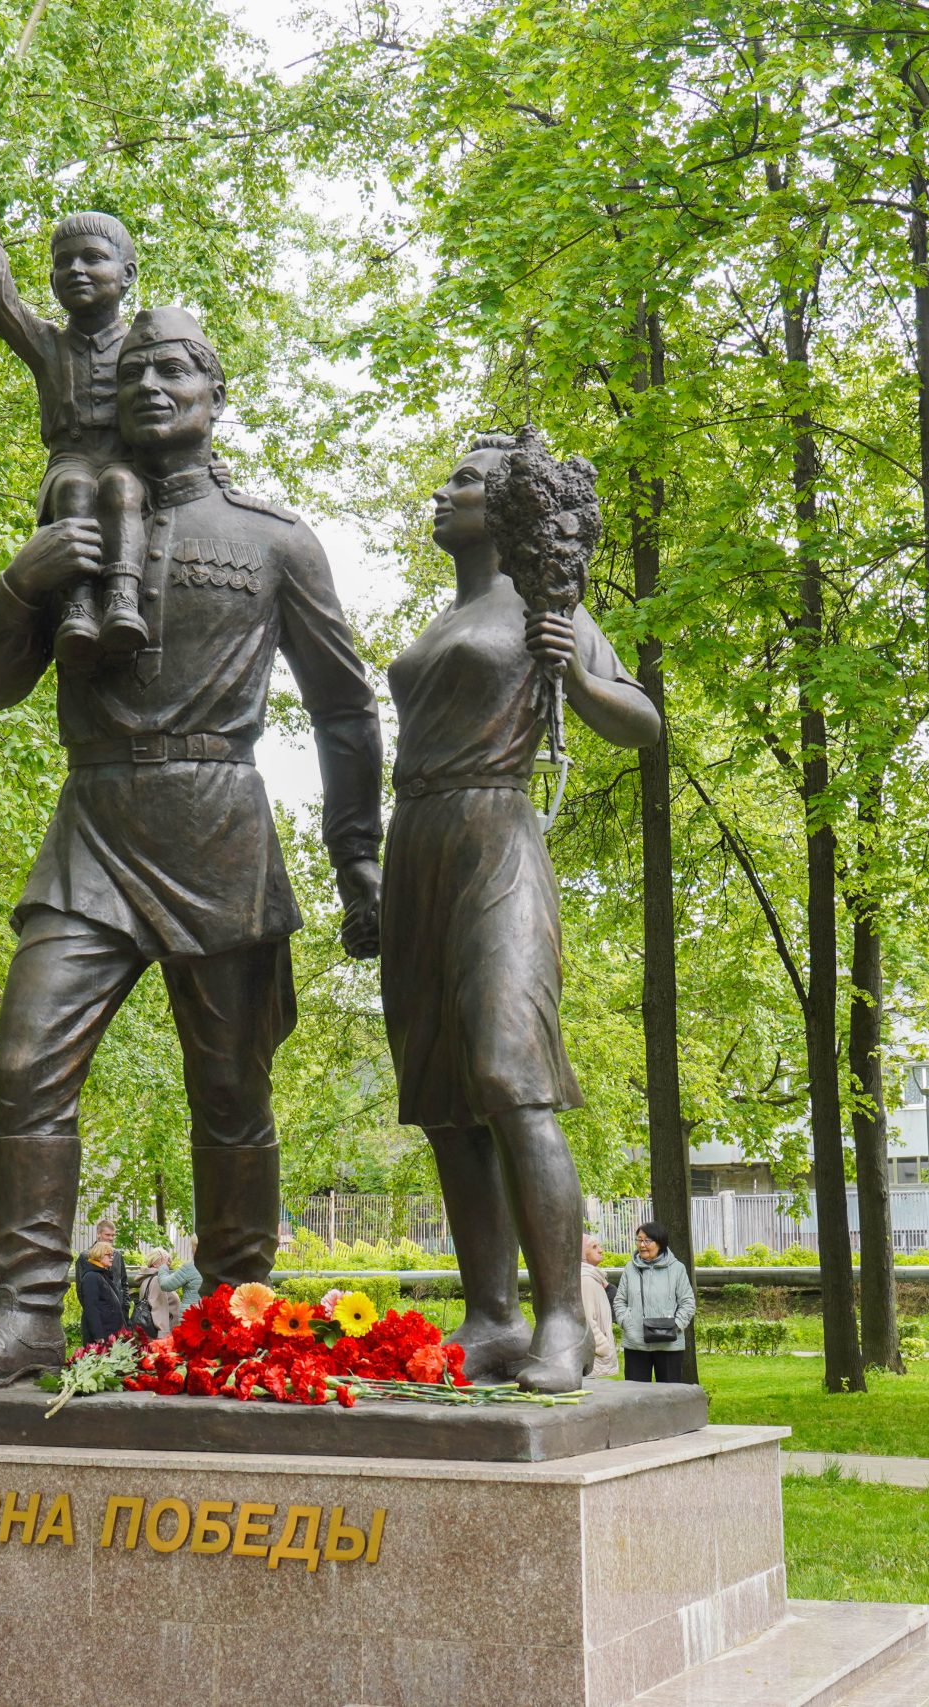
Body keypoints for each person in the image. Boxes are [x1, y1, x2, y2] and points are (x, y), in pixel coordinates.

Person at [0, 306, 383, 1390]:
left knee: (230, 1089)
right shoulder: (76, 519)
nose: (150, 385)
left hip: (220, 823)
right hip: (93, 823)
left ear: (217, 394)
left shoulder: (276, 541)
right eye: (132, 370)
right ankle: (26, 1313)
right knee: (25, 1064)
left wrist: (357, 855)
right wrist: (25, 578)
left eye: (175, 369)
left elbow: (344, 709)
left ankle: (235, 1311)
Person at [378, 432, 662, 1392]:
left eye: (463, 480)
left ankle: (562, 1320)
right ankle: (492, 1314)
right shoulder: (442, 619)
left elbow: (640, 721)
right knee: (443, 1099)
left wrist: (576, 674)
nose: (442, 491)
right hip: (416, 845)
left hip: (497, 837)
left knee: (509, 1072)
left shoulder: (547, 606)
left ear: (504, 506)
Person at [0, 181, 150, 668]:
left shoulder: (144, 344)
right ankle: (78, 605)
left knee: (122, 485)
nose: (76, 269)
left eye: (92, 258)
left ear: (126, 274)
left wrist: (208, 460)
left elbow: (185, 401)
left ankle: (123, 597)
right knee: (73, 487)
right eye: (64, 263)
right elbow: (2, 304)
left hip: (127, 462)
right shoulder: (48, 345)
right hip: (69, 460)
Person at [612, 1221, 696, 1383]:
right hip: (636, 1343)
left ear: (660, 1242)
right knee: (636, 1393)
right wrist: (626, 1322)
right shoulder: (630, 1268)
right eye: (639, 1240)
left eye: (647, 1241)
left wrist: (676, 1325)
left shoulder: (677, 1269)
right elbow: (619, 1301)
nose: (642, 1245)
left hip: (669, 1344)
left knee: (668, 1394)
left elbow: (688, 1303)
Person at [73, 1236, 128, 1345]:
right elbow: (91, 1307)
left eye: (112, 1255)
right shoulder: (91, 1277)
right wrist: (98, 1335)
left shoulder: (102, 1274)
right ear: (98, 1255)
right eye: (108, 1255)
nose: (112, 1258)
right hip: (102, 1335)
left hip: (110, 1332)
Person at [580, 1234, 617, 1379]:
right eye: (594, 1247)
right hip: (593, 1358)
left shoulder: (593, 1278)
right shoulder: (586, 1280)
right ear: (582, 1253)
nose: (601, 1250)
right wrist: (603, 1347)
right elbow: (586, 1321)